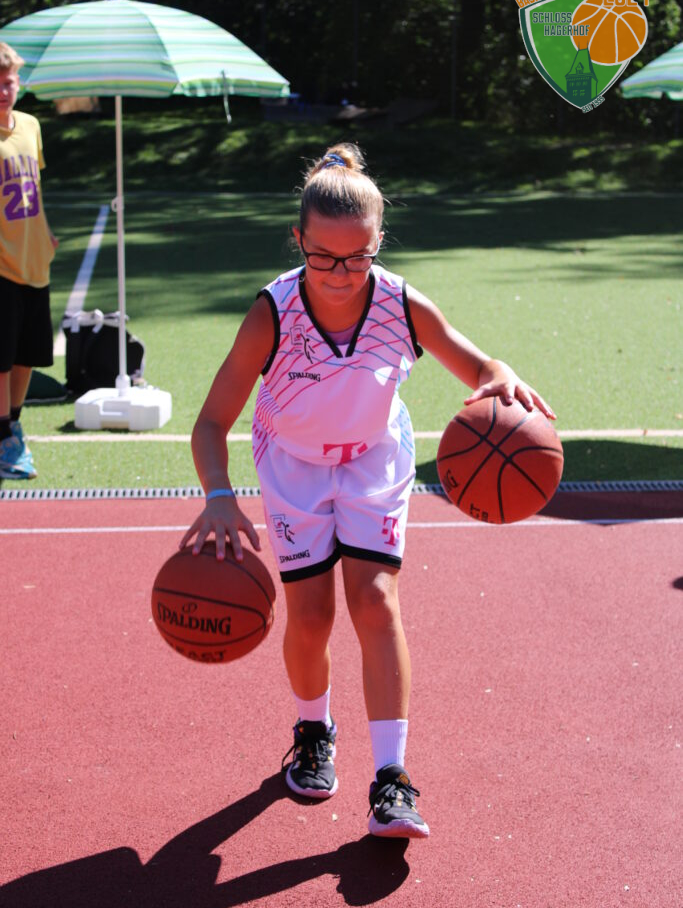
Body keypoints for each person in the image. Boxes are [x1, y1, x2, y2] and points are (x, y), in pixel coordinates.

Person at [181, 143, 556, 840]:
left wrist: (501, 378)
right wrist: (219, 496)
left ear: (379, 242)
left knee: (375, 601)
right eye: (323, 257)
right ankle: (313, 729)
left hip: (374, 460)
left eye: (358, 257)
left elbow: (481, 366)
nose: (340, 274)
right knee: (312, 616)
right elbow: (209, 424)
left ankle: (391, 778)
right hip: (293, 464)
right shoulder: (274, 312)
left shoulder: (401, 304)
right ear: (298, 240)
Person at [0, 42, 59, 480]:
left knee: (27, 355)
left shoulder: (31, 126)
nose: (4, 92)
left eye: (8, 82)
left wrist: (46, 233)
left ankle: (13, 423)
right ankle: (4, 435)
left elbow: (32, 188)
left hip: (35, 260)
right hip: (2, 265)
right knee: (1, 359)